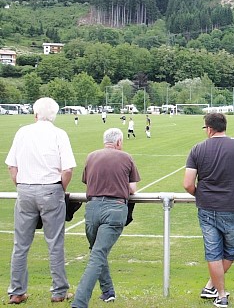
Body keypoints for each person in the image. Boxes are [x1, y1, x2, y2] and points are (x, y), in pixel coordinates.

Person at [183, 113, 234, 308]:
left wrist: (200, 194)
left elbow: (187, 184)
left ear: (209, 129)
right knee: (232, 251)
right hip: (232, 206)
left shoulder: (197, 149)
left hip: (207, 208)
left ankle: (215, 289)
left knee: (213, 251)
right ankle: (220, 294)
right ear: (224, 126)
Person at [5, 97, 77, 304]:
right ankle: (59, 291)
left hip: (25, 190)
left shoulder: (23, 132)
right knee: (55, 243)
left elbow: (12, 166)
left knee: (20, 244)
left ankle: (17, 291)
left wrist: (21, 186)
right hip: (51, 188)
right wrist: (59, 188)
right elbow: (68, 169)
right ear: (54, 115)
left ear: (35, 114)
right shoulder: (58, 134)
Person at [71, 128, 140, 308]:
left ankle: (107, 291)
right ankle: (79, 303)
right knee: (97, 255)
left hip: (92, 208)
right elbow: (132, 189)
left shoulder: (91, 156)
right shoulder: (126, 157)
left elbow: (87, 180)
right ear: (118, 142)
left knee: (96, 251)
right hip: (115, 209)